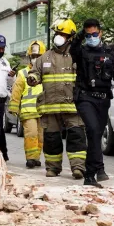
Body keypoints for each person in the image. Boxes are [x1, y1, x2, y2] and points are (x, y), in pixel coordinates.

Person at [27, 18, 87, 179]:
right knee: (51, 139)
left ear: (70, 37)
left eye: (62, 34)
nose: (58, 37)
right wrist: (32, 77)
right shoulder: (44, 58)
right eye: (57, 33)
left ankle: (78, 168)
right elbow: (34, 73)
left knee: (76, 137)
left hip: (72, 106)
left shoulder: (77, 56)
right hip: (50, 106)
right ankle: (52, 168)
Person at [70, 18, 114, 188]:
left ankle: (97, 170)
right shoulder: (82, 51)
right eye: (88, 35)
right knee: (93, 130)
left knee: (97, 135)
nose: (92, 37)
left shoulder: (109, 52)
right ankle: (90, 174)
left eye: (94, 34)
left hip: (103, 99)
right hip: (85, 98)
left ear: (100, 33)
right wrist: (79, 36)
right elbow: (72, 50)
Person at [8, 40, 45, 169]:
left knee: (41, 137)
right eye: (34, 56)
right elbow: (16, 90)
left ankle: (36, 158)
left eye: (38, 56)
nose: (35, 59)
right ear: (29, 56)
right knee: (31, 134)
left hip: (43, 111)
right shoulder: (23, 73)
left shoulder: (46, 72)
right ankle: (30, 158)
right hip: (28, 111)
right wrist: (13, 107)